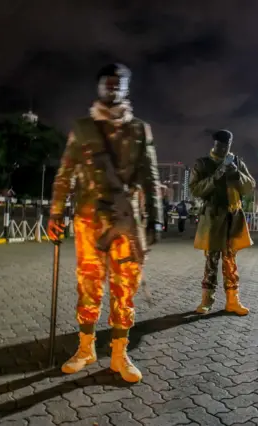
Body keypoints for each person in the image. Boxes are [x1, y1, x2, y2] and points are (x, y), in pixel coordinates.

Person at [47, 63, 163, 383]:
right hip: (88, 219)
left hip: (126, 221)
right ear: (98, 88)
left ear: (127, 89)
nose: (112, 89)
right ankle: (86, 348)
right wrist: (56, 213)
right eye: (106, 84)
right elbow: (65, 174)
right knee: (88, 283)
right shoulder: (82, 127)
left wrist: (157, 218)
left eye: (118, 84)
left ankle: (119, 353)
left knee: (125, 287)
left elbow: (151, 177)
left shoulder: (140, 129)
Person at [190, 129, 256, 315]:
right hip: (212, 218)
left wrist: (236, 174)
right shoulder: (203, 164)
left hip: (233, 218)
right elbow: (195, 189)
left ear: (230, 146)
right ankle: (206, 300)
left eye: (226, 146)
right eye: (219, 145)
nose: (222, 149)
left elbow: (249, 185)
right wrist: (216, 176)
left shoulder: (237, 162)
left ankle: (232, 301)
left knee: (230, 261)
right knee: (211, 261)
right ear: (214, 144)